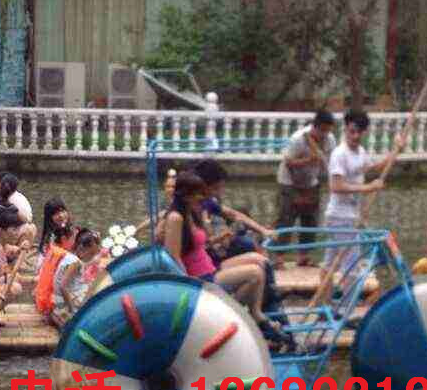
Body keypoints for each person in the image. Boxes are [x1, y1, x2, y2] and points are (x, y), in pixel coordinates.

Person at [162, 172, 288, 344]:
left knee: (259, 261)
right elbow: (173, 256)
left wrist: (221, 236)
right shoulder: (175, 217)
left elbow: (204, 242)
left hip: (210, 267)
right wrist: (188, 284)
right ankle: (233, 314)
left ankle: (254, 312)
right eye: (198, 194)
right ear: (186, 194)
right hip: (199, 277)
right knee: (255, 273)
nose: (202, 198)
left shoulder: (193, 213)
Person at [323, 110, 404, 280]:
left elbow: (375, 168)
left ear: (364, 132)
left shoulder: (360, 151)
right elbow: (336, 186)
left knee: (330, 264)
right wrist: (368, 188)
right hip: (339, 216)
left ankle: (325, 296)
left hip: (350, 216)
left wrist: (396, 150)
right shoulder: (339, 153)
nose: (355, 136)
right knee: (351, 267)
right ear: (345, 129)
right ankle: (345, 298)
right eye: (352, 131)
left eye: (359, 132)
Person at [274, 110, 336, 268]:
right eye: (322, 130)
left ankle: (303, 256)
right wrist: (309, 160)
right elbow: (289, 163)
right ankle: (279, 257)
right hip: (289, 181)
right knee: (286, 219)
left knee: (310, 220)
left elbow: (329, 163)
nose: (324, 134)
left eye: (327, 130)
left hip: (311, 181)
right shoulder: (298, 139)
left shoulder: (329, 140)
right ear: (315, 126)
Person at [49, 228, 102, 328]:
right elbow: (63, 286)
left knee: (90, 287)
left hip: (57, 300)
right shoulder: (75, 263)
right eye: (91, 254)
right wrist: (72, 310)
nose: (92, 257)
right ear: (83, 249)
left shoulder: (69, 256)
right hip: (61, 305)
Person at [0, 173, 37, 244]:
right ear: (14, 191)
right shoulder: (10, 207)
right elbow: (26, 219)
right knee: (31, 227)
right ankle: (22, 248)